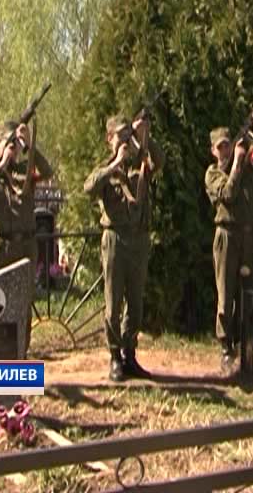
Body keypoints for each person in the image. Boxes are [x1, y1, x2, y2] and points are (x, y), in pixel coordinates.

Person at [84, 114, 165, 382]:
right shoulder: (107, 170)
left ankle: (130, 354)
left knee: (136, 303)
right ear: (110, 139)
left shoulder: (140, 165)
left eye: (127, 134)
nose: (125, 140)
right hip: (115, 240)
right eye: (121, 135)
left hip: (138, 240)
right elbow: (89, 187)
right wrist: (115, 163)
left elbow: (158, 162)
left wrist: (145, 137)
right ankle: (115, 356)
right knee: (113, 303)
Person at [0, 121, 53, 348]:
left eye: (15, 144)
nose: (14, 149)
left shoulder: (24, 169)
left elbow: (47, 171)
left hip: (25, 245)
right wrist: (1, 165)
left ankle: (20, 356)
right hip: (0, 248)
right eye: (10, 144)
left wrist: (29, 146)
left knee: (23, 306)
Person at [205, 102, 253, 370]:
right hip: (226, 237)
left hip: (248, 235)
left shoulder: (245, 165)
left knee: (247, 292)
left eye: (227, 145)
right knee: (225, 294)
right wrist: (235, 164)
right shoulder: (212, 174)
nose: (225, 149)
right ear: (213, 151)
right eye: (220, 146)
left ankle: (245, 344)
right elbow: (228, 194)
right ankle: (225, 347)